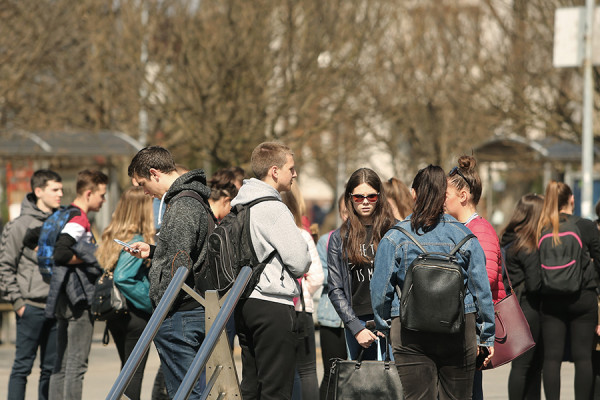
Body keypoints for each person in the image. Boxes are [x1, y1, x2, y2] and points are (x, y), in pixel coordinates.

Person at [371, 164, 495, 400]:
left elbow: (380, 290)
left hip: (409, 329)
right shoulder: (465, 236)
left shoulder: (395, 237)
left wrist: (384, 324)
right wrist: (486, 335)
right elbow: (482, 291)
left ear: (413, 194)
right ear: (443, 197)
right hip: (458, 329)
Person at [124, 146, 215, 398]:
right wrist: (154, 251)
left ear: (154, 173)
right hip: (190, 308)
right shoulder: (193, 199)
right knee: (192, 389)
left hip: (179, 312)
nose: (144, 191)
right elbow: (185, 252)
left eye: (142, 183)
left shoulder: (183, 204)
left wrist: (160, 304)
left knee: (186, 393)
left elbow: (179, 264)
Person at [232, 141, 311, 400]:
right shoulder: (273, 208)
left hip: (245, 302)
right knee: (276, 389)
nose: (295, 174)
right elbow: (300, 261)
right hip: (272, 304)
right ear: (275, 171)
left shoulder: (241, 204)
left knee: (252, 386)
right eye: (292, 168)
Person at [444, 155, 506, 399]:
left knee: (469, 391)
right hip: (463, 325)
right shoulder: (462, 228)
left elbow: (487, 279)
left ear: (463, 196)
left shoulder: (480, 231)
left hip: (471, 328)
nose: (442, 199)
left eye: (445, 194)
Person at [0, 169, 63, 400]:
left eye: (61, 189)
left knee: (50, 370)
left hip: (56, 306)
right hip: (30, 307)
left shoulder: (63, 222)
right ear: (38, 191)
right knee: (22, 368)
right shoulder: (19, 225)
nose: (60, 194)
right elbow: (5, 266)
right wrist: (18, 302)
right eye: (54, 189)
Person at [46, 169, 108, 400]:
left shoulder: (61, 213)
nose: (103, 200)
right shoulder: (79, 218)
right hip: (77, 297)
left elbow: (34, 237)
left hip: (61, 294)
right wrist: (93, 256)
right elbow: (62, 252)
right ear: (89, 193)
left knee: (60, 362)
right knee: (76, 364)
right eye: (102, 195)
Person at [536, 181, 600, 400]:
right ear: (572, 199)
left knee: (551, 358)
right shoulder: (586, 226)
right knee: (583, 358)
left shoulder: (542, 227)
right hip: (583, 297)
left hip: (551, 300)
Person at [327, 167, 396, 361]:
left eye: (371, 197)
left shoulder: (395, 231)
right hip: (359, 323)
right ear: (350, 198)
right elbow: (335, 288)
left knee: (395, 385)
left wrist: (392, 320)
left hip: (392, 320)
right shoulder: (339, 238)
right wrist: (356, 328)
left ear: (379, 197)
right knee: (365, 386)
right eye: (358, 197)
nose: (365, 202)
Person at [95, 186, 155, 400]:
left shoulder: (114, 235)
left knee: (126, 371)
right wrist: (151, 302)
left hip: (115, 312)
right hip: (135, 314)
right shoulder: (136, 238)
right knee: (133, 375)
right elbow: (123, 277)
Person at [282, 184, 324, 400]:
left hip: (279, 309)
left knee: (286, 370)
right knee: (307, 371)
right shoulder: (303, 235)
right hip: (303, 309)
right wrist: (303, 290)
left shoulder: (271, 235)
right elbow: (317, 276)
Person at [500, 194, 544, 400]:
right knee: (528, 366)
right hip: (529, 309)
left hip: (514, 307)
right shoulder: (528, 246)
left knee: (524, 365)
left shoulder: (508, 239)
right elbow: (535, 285)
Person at [316, 194, 348, 400]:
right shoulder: (326, 241)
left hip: (361, 320)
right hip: (332, 318)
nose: (348, 216)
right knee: (332, 373)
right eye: (345, 211)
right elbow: (321, 274)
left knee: (355, 374)